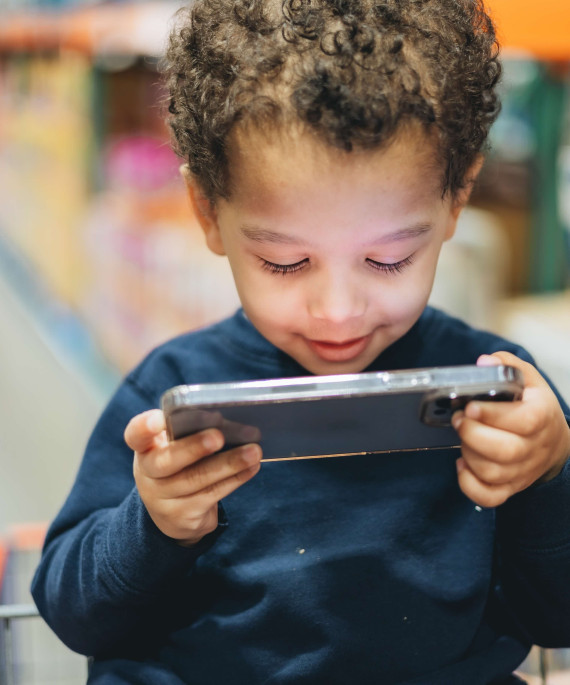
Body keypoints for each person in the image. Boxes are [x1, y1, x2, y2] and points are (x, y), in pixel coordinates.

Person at [32, 1, 570, 683]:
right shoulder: (165, 399)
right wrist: (155, 522)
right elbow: (75, 613)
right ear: (208, 213)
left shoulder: (504, 403)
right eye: (285, 264)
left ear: (456, 201)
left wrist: (547, 477)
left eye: (388, 260)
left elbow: (557, 618)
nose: (338, 311)